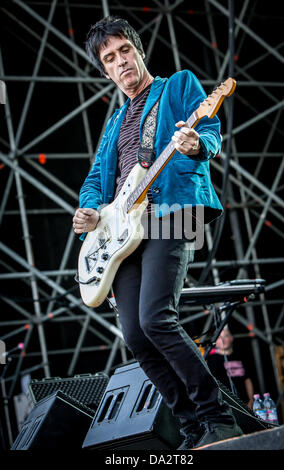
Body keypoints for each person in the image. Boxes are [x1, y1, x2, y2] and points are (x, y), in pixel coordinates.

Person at [72, 16, 242, 449]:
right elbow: (97, 179)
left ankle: (217, 415)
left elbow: (208, 129)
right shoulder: (113, 123)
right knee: (134, 332)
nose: (120, 62)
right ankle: (190, 427)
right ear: (105, 70)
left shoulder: (177, 86)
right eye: (109, 59)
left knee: (156, 318)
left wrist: (196, 145)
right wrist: (90, 211)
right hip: (123, 228)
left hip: (174, 209)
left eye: (123, 50)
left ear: (138, 49)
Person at [206, 328, 254, 409]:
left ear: (231, 338)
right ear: (215, 342)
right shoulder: (212, 360)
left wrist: (251, 400)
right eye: (219, 337)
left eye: (225, 336)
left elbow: (247, 380)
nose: (223, 340)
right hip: (226, 405)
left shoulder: (240, 356)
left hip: (245, 403)